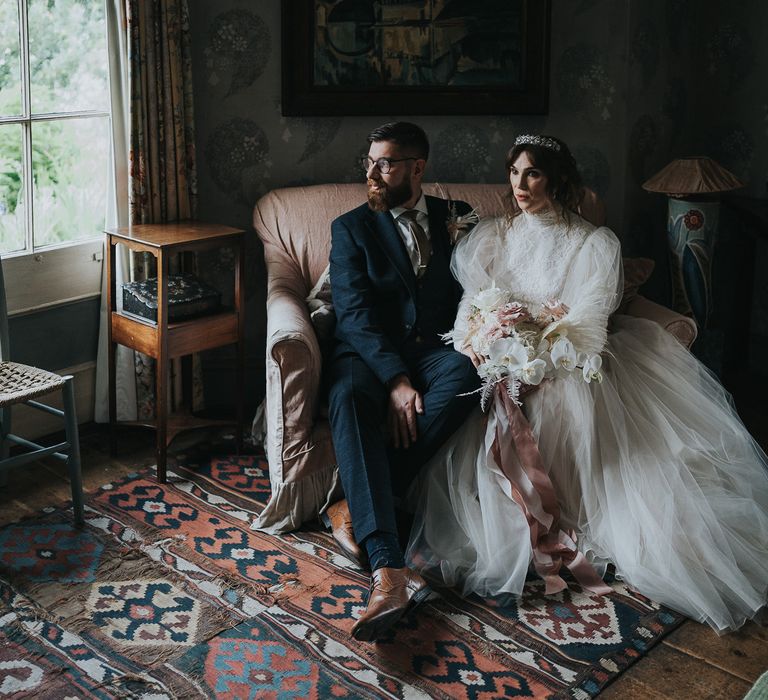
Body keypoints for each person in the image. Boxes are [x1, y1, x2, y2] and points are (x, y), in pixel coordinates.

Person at [406, 134, 768, 634]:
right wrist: (479, 339)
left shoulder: (592, 243)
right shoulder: (493, 235)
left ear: (555, 177)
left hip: (568, 357)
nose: (520, 185)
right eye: (514, 173)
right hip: (502, 354)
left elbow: (589, 327)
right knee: (480, 397)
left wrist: (536, 353)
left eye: (531, 173)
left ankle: (560, 519)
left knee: (558, 401)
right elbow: (474, 302)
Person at [326, 121, 480, 641]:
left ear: (418, 167)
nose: (372, 171)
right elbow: (353, 313)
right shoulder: (350, 228)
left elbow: (478, 291)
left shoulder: (458, 219)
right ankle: (388, 574)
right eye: (368, 161)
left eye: (385, 162)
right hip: (368, 356)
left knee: (469, 375)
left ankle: (357, 498)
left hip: (436, 351)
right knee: (347, 396)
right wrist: (394, 380)